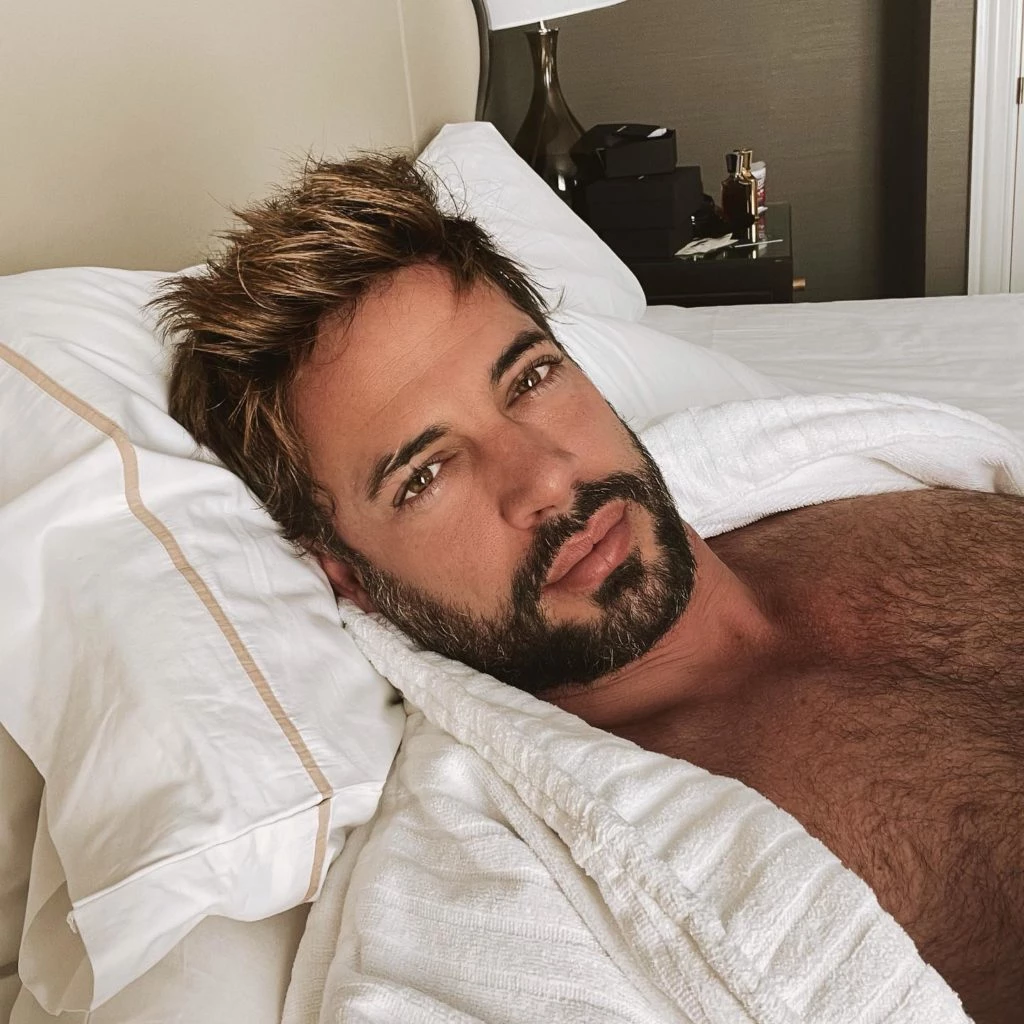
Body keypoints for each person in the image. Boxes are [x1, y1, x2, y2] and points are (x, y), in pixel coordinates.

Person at [156, 156, 1022, 1024]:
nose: (545, 476)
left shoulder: (854, 480)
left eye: (530, 379)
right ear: (351, 577)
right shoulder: (483, 905)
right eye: (425, 474)